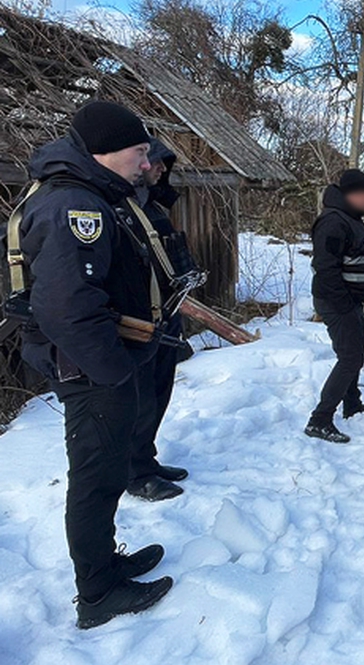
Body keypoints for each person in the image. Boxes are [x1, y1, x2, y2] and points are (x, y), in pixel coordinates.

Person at [15, 100, 173, 628]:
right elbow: (66, 306)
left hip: (98, 363)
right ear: (105, 152)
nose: (147, 163)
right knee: (95, 478)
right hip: (89, 369)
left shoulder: (90, 194)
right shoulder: (72, 207)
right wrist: (113, 370)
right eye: (139, 151)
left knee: (104, 475)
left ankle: (105, 565)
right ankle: (98, 593)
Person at [126, 137, 195, 501]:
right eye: (158, 163)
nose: (162, 170)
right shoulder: (123, 204)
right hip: (139, 320)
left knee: (159, 393)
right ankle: (135, 473)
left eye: (166, 165)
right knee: (141, 400)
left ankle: (146, 459)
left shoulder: (151, 204)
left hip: (166, 315)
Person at [304, 169, 364, 443]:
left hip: (351, 301)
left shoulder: (352, 218)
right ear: (354, 195)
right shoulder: (333, 222)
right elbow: (326, 269)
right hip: (336, 302)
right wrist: (346, 301)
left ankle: (352, 404)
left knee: (355, 353)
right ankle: (320, 420)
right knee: (349, 359)